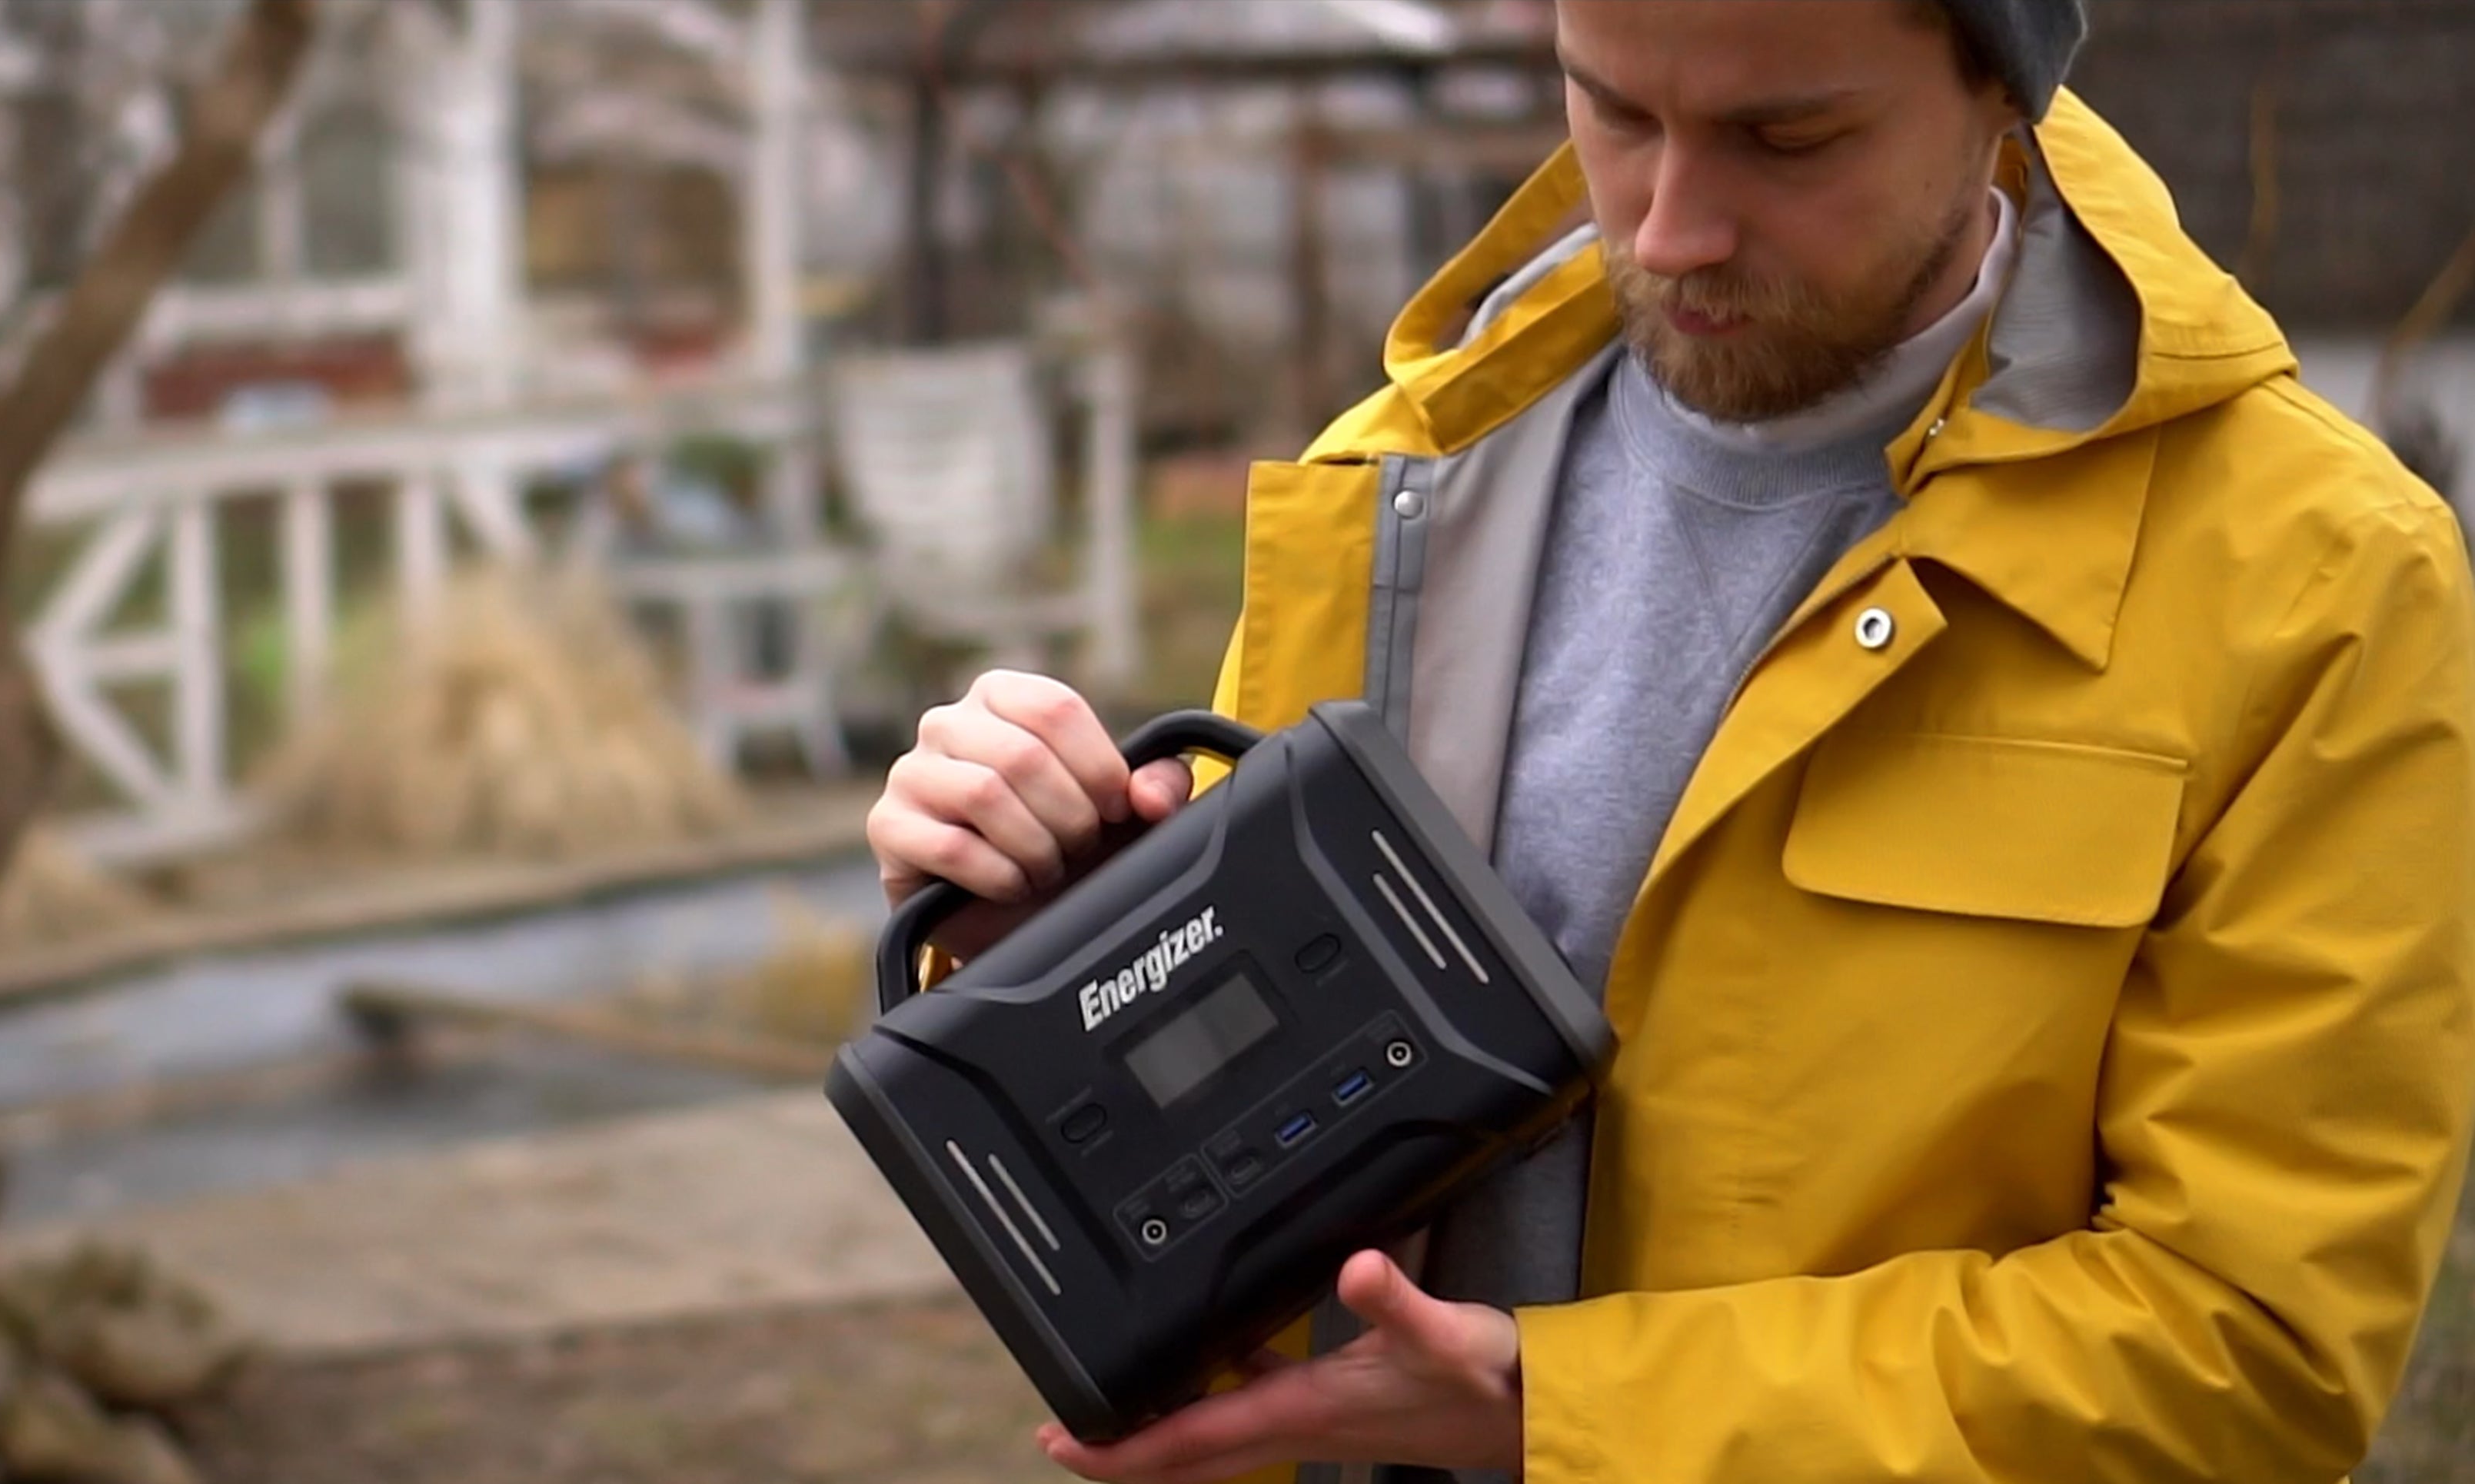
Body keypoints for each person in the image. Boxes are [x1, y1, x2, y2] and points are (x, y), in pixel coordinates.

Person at [862, 2, 2475, 1482]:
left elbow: (2248, 1345)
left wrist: (1556, 1412)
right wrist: (1050, 934)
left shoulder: (2315, 579)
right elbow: (1267, 1147)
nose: (1663, 225)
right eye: (1610, 109)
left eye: (1786, 140)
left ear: (2005, 88)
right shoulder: (1409, 479)